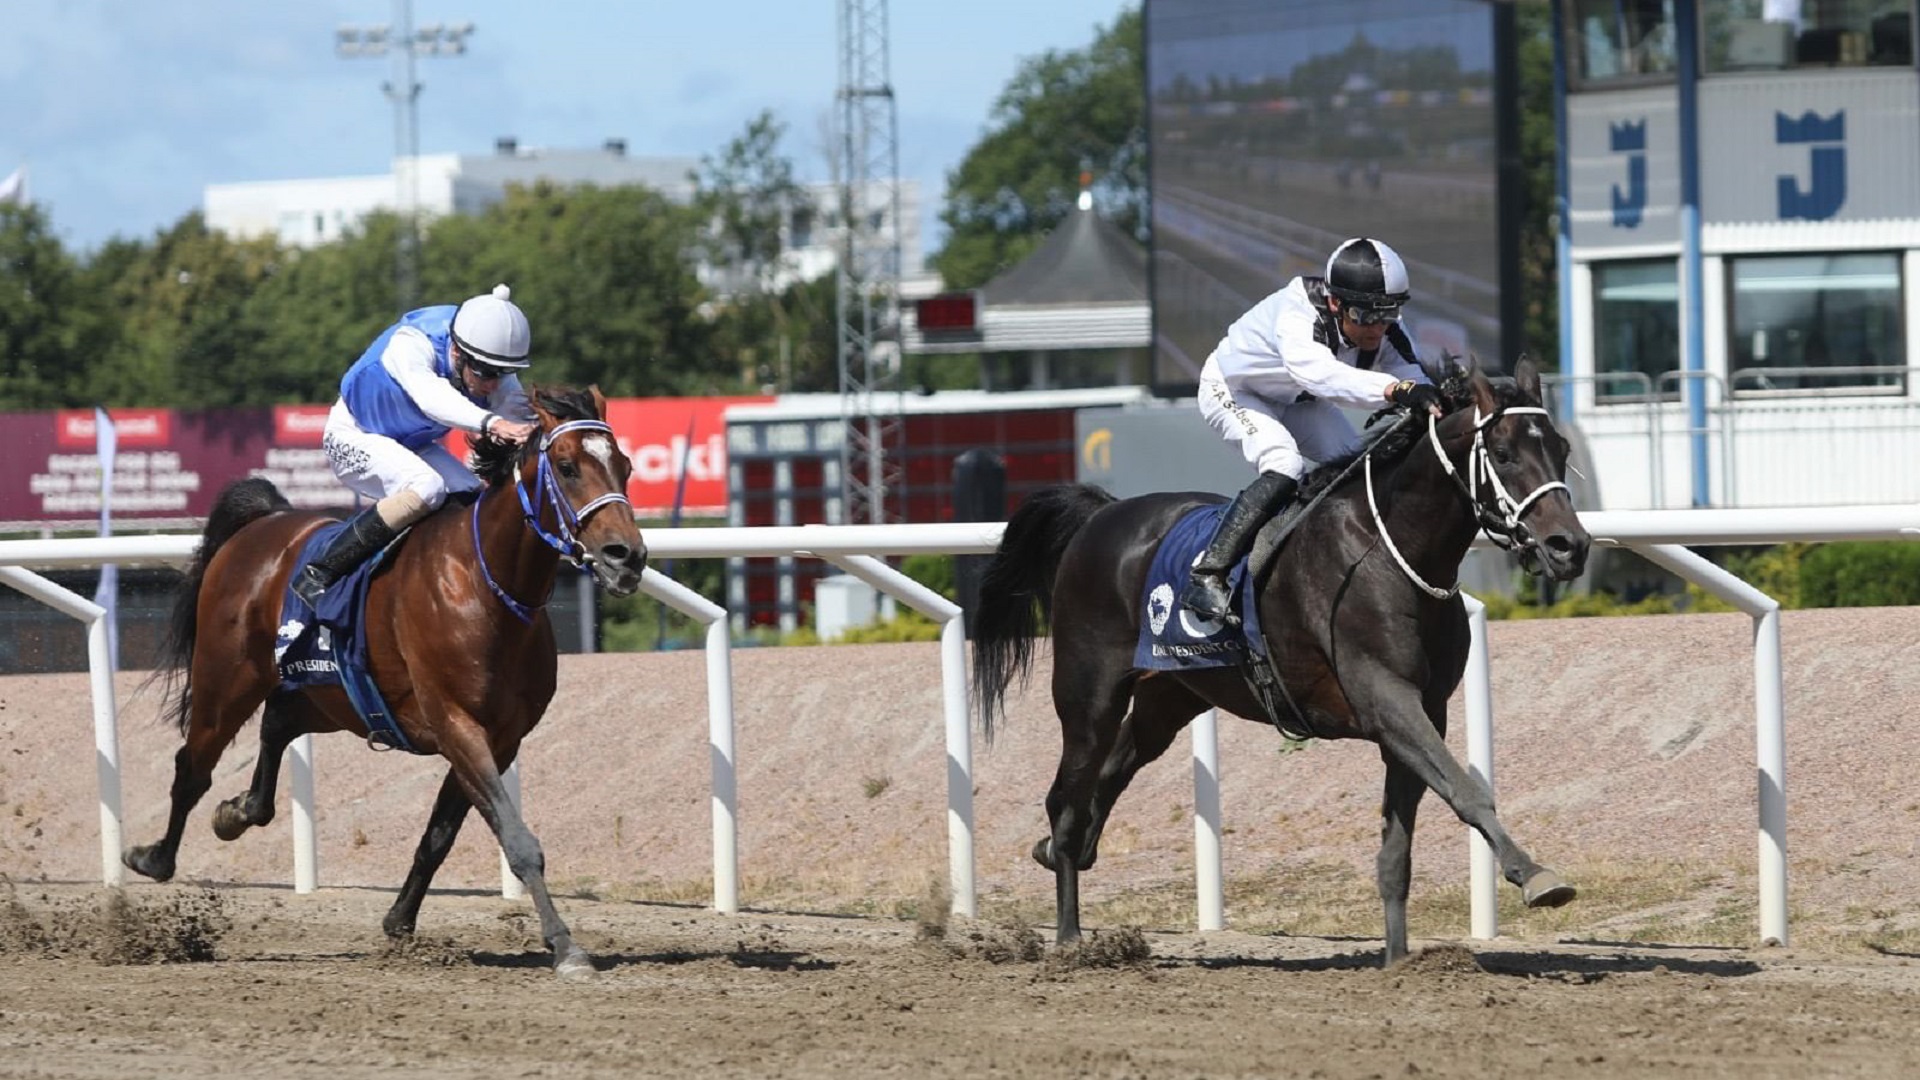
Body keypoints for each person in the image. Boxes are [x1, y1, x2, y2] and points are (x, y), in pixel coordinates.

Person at [1179, 237, 1445, 622]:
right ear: (1335, 303)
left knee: (1362, 469)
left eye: (1387, 315)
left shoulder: (1385, 327)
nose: (1376, 329)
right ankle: (1208, 573)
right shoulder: (1296, 313)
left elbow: (1411, 376)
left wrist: (1430, 397)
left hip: (1298, 401)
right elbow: (1321, 376)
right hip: (1236, 390)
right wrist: (1397, 390)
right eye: (1366, 316)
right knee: (1285, 464)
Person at [292, 283, 540, 605]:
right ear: (456, 353)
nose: (493, 383)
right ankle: (319, 573)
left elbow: (519, 417)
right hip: (355, 434)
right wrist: (491, 423)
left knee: (470, 495)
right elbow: (431, 398)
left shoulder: (483, 356)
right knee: (426, 486)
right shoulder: (411, 343)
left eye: (503, 373)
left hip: (413, 443)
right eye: (486, 372)